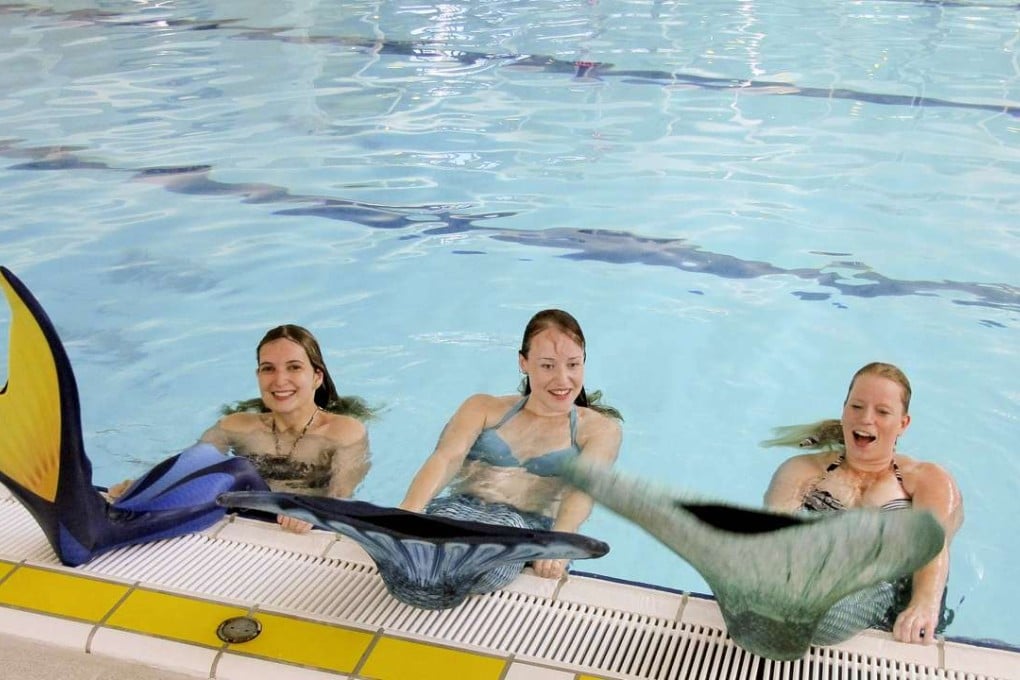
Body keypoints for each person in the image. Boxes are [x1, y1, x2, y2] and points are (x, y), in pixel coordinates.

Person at [398, 308, 623, 586]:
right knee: (411, 563)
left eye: (573, 365)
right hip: (457, 513)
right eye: (548, 365)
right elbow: (447, 457)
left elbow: (583, 490)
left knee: (457, 573)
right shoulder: (482, 407)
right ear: (523, 363)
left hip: (525, 534)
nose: (563, 380)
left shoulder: (599, 430)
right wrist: (409, 509)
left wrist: (561, 539)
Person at [762, 361, 964, 646]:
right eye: (856, 407)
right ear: (844, 411)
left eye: (882, 412)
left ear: (903, 424)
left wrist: (924, 603)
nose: (866, 419)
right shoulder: (802, 470)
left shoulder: (926, 480)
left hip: (891, 589)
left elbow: (933, 548)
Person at [193, 324, 372, 533]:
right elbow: (191, 469)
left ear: (317, 377)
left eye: (294, 367)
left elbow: (340, 494)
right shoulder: (235, 427)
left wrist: (313, 512)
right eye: (268, 368)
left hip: (306, 531)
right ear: (258, 375)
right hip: (245, 522)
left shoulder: (343, 433)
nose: (279, 380)